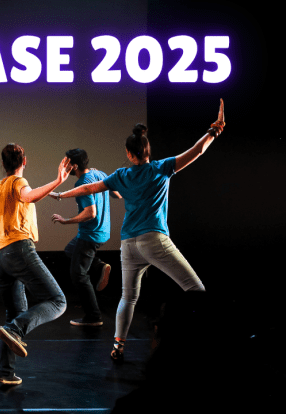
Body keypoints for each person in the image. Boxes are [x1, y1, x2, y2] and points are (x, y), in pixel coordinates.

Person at [55, 99, 225, 362]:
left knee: (128, 298)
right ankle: (208, 341)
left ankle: (118, 346)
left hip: (129, 245)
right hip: (154, 240)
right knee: (195, 288)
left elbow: (89, 188)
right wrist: (214, 131)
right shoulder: (161, 168)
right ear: (147, 150)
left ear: (129, 153)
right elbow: (197, 150)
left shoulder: (121, 175)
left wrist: (61, 194)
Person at [0, 143, 72, 385]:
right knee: (58, 301)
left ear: (3, 164)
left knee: (14, 312)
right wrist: (58, 181)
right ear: (24, 161)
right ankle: (16, 330)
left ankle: (5, 372)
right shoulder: (18, 183)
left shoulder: (0, 185)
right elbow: (29, 196)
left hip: (0, 255)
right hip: (19, 250)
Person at [51, 148, 121, 327]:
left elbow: (90, 213)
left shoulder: (82, 182)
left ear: (74, 166)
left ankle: (93, 316)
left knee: (78, 275)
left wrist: (66, 221)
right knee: (70, 249)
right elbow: (117, 194)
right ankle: (100, 266)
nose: (64, 166)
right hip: (103, 232)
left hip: (90, 234)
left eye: (66, 163)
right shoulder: (99, 174)